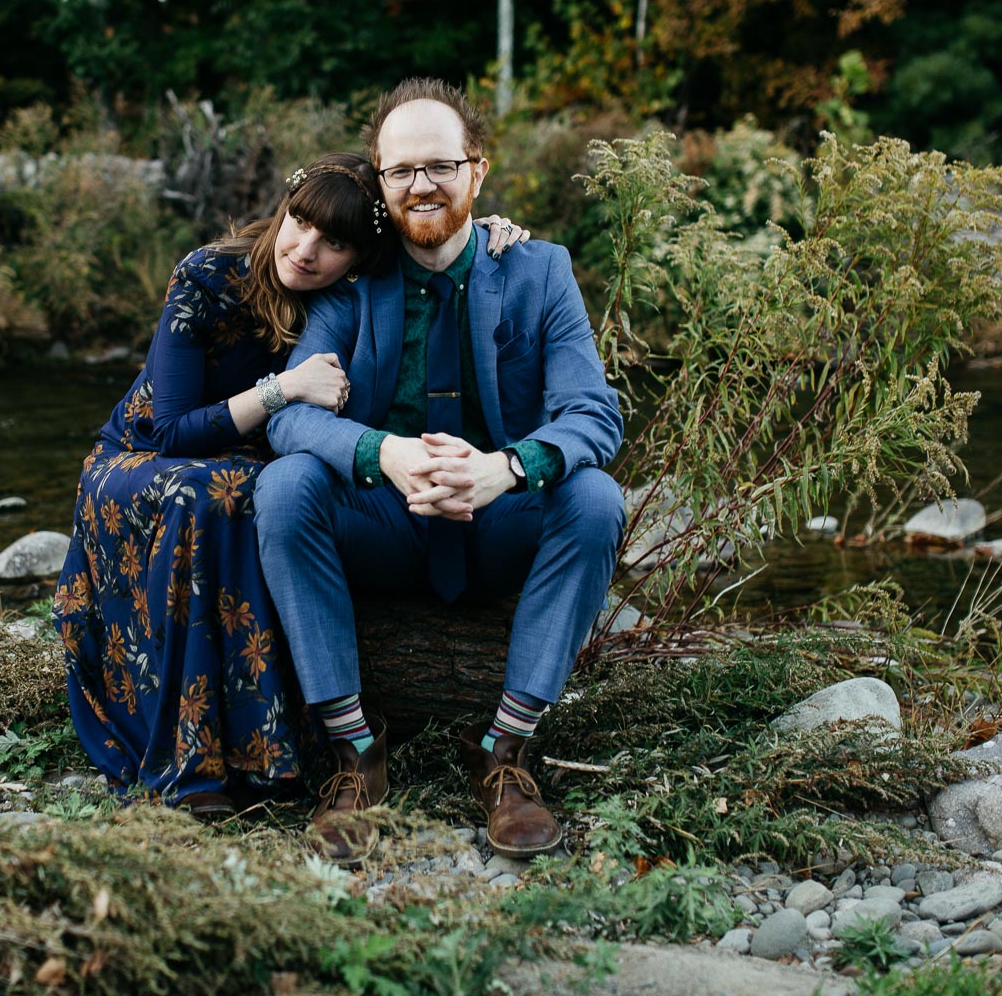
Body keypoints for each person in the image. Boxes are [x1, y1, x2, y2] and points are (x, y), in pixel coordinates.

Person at [52, 151, 529, 815]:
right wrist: (281, 391)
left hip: (249, 463)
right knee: (213, 492)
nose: (305, 251)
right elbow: (171, 433)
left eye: (334, 244)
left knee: (259, 491)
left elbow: (438, 251)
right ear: (283, 210)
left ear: (360, 257)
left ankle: (263, 756)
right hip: (141, 462)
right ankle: (189, 760)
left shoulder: (352, 297)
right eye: (299, 223)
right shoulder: (211, 274)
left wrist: (485, 234)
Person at [254, 79, 625, 863]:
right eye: (402, 170)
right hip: (384, 526)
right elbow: (290, 415)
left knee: (592, 497)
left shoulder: (540, 270)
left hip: (498, 526)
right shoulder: (352, 284)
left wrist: (506, 469)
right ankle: (355, 755)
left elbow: (595, 415)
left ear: (478, 173)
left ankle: (504, 752)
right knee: (285, 487)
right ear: (382, 187)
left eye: (441, 165)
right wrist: (381, 453)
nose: (422, 184)